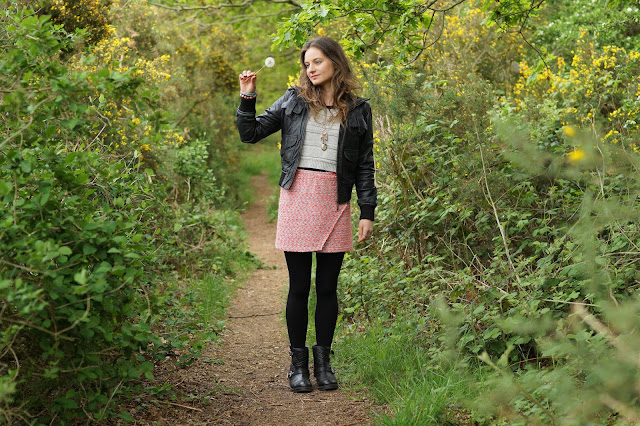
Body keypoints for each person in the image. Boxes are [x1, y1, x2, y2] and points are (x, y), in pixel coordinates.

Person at [236, 36, 377, 393]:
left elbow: (364, 164)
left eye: (316, 62)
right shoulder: (293, 101)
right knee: (299, 287)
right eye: (306, 64)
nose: (310, 69)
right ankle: (297, 366)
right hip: (298, 195)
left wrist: (367, 210)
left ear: (334, 62)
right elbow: (249, 133)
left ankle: (324, 364)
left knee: (328, 287)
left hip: (336, 199)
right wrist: (247, 96)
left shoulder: (358, 109)